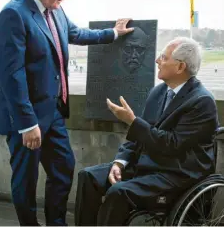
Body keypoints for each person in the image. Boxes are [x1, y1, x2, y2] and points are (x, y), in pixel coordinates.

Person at [0, 0, 134, 226]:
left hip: (52, 111)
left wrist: (113, 33)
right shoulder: (13, 14)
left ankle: (56, 223)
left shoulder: (55, 10)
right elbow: (12, 76)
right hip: (25, 117)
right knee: (26, 179)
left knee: (64, 167)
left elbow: (77, 33)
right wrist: (27, 123)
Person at [75, 37, 219, 226]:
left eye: (164, 57)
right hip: (147, 165)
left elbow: (171, 145)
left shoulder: (202, 102)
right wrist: (120, 162)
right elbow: (139, 136)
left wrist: (132, 121)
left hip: (176, 174)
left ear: (180, 67)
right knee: (88, 176)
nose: (157, 61)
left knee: (119, 192)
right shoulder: (158, 92)